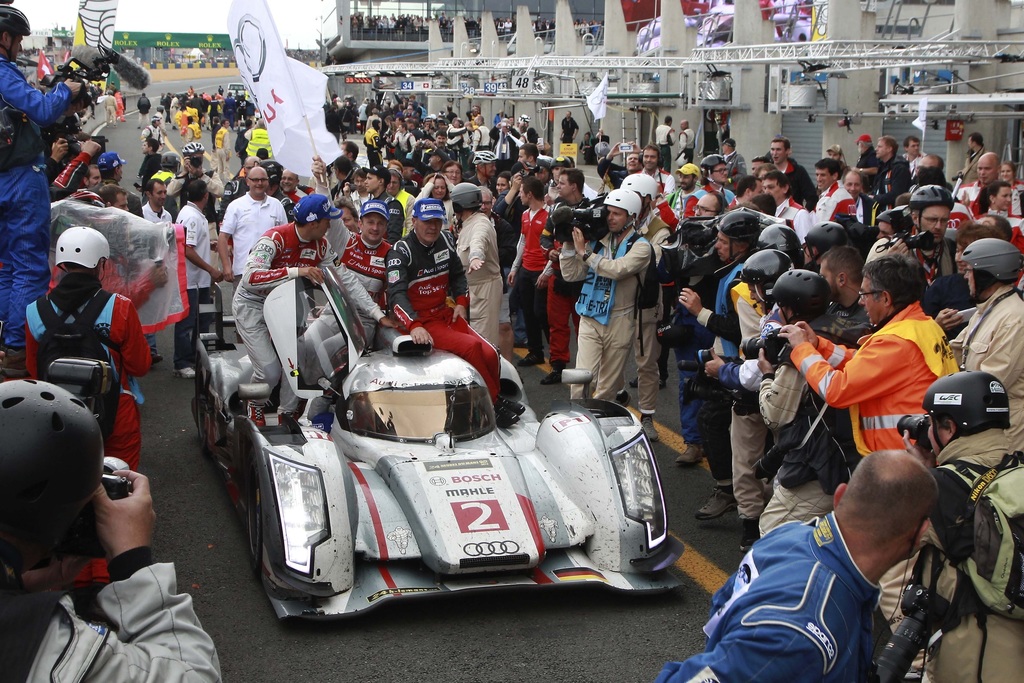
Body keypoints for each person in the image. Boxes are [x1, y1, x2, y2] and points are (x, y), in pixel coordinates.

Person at [0, 380, 221, 681]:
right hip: (121, 411)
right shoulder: (38, 639)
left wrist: (16, 584)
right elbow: (196, 675)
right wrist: (134, 562)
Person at [655, 450, 937, 683]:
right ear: (919, 533)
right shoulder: (800, 635)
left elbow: (722, 606)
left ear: (839, 496)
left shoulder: (790, 534)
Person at [905, 371, 1024, 683]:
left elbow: (883, 547)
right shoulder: (1017, 469)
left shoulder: (937, 488)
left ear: (950, 428)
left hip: (971, 659)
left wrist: (919, 477)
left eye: (931, 422)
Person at [783, 254, 960, 455]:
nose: (861, 302)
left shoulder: (895, 341)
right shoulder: (922, 326)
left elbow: (835, 390)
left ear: (885, 298)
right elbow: (864, 363)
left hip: (900, 456)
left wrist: (801, 349)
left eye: (864, 294)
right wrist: (819, 345)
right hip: (912, 451)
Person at [387, 197, 521, 427]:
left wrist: (461, 302)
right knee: (472, 348)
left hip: (446, 313)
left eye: (437, 221)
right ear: (414, 221)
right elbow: (396, 295)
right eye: (427, 221)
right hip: (422, 321)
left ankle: (493, 399)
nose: (432, 227)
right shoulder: (401, 251)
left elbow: (459, 275)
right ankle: (494, 404)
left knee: (490, 352)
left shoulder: (446, 241)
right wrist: (414, 325)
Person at [560, 189, 652, 402]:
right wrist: (567, 244)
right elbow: (572, 274)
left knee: (606, 388)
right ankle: (579, 424)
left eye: (617, 214)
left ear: (632, 216)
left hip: (620, 318)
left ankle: (601, 426)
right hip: (590, 316)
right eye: (608, 212)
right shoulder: (596, 240)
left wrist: (585, 253)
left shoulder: (641, 247)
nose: (610, 218)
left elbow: (617, 270)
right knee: (581, 379)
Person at [949, 238, 1024, 445]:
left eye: (969, 271)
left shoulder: (1014, 318)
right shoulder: (987, 311)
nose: (965, 277)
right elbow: (952, 353)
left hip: (1007, 435)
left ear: (987, 274)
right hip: (988, 426)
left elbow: (992, 383)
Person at [172, 179, 223, 379]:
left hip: (198, 281)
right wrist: (211, 269)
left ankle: (195, 357)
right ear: (205, 196)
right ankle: (181, 362)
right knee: (187, 322)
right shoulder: (192, 217)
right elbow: (187, 248)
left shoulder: (191, 213)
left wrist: (207, 243)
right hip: (191, 280)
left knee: (203, 319)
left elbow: (191, 243)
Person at [451, 183, 503, 346]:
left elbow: (478, 241)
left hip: (484, 291)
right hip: (471, 290)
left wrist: (475, 257)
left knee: (484, 342)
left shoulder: (480, 224)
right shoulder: (467, 223)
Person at [218, 164, 287, 286]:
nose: (259, 183)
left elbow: (286, 238)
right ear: (247, 182)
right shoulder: (236, 206)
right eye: (255, 180)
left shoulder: (277, 205)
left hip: (272, 272)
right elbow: (223, 237)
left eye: (263, 180)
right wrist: (227, 267)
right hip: (243, 272)